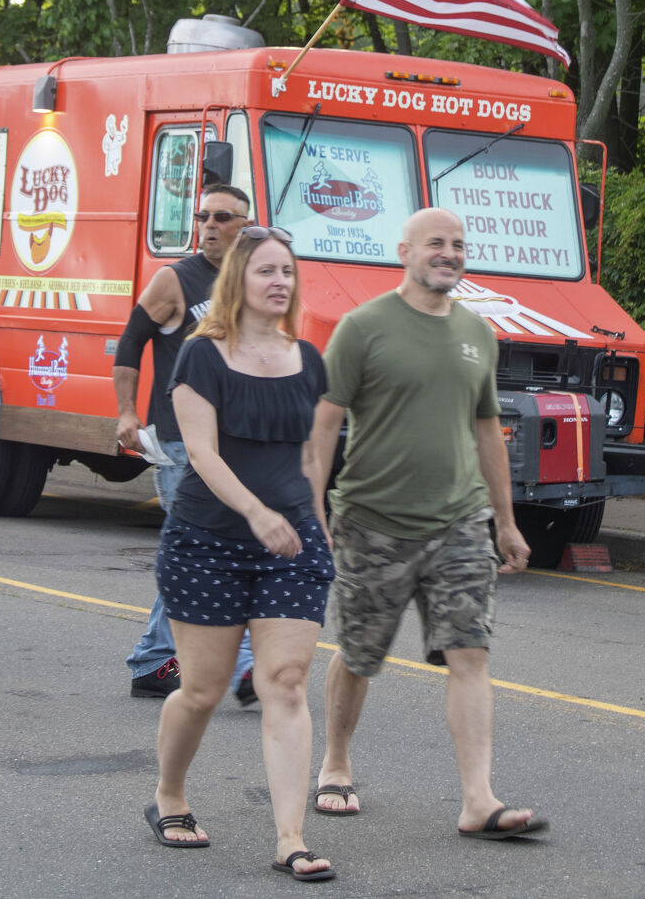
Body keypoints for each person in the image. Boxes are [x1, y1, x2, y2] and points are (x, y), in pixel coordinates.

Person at [304, 208, 544, 841]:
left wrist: (506, 522)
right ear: (404, 251)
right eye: (436, 242)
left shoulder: (476, 333)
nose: (449, 252)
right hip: (372, 521)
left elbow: (488, 428)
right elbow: (325, 422)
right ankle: (335, 761)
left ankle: (478, 799)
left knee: (471, 653)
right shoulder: (363, 328)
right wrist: (312, 512)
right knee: (359, 654)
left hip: (460, 522)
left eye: (459, 244)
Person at [144, 226, 336, 881]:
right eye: (265, 271)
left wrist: (320, 522)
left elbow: (310, 455)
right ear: (239, 281)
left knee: (284, 682)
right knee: (201, 691)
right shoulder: (202, 356)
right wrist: (255, 512)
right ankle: (169, 793)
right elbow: (200, 452)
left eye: (287, 270)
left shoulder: (308, 359)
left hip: (291, 543)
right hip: (209, 541)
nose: (279, 281)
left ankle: (291, 837)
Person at [115, 182, 257, 703]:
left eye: (224, 218)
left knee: (193, 550)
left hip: (229, 442)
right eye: (204, 216)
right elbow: (131, 338)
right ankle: (244, 667)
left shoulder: (249, 281)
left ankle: (154, 660)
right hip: (178, 440)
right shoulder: (176, 278)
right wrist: (128, 412)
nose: (210, 226)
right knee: (215, 548)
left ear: (246, 227)